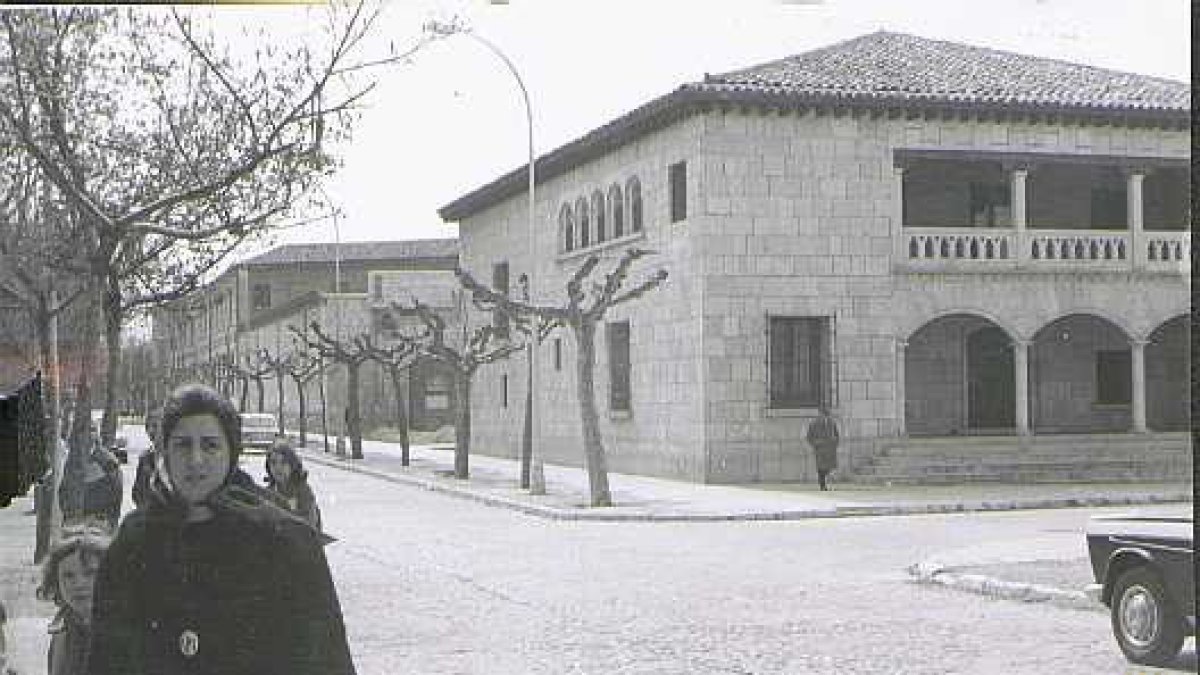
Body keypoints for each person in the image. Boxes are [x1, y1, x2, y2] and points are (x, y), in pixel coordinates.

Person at [86, 384, 356, 675]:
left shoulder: (285, 539)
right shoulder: (134, 542)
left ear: (232, 452)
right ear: (164, 451)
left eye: (210, 445)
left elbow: (328, 660)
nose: (196, 460)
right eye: (183, 445)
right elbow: (106, 657)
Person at [39, 525, 112, 675]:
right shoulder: (62, 631)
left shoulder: (127, 630)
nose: (79, 584)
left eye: (90, 573)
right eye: (68, 576)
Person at [264, 439, 322, 530]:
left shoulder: (303, 490)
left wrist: (283, 520)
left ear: (292, 465)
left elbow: (310, 523)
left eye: (283, 463)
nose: (277, 468)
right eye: (273, 462)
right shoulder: (269, 491)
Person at [806, 405, 839, 491]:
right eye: (823, 414)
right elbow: (809, 437)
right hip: (820, 449)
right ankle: (822, 485)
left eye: (826, 414)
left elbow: (836, 434)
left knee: (829, 467)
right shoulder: (814, 423)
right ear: (819, 414)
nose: (824, 416)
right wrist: (815, 444)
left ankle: (826, 482)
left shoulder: (832, 422)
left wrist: (835, 442)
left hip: (830, 448)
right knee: (821, 468)